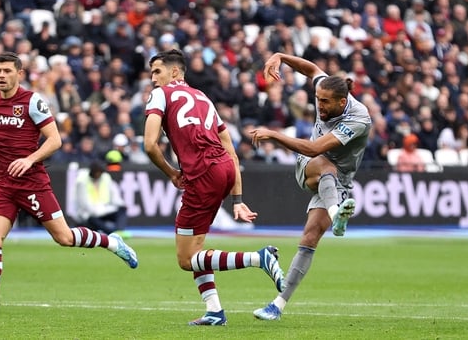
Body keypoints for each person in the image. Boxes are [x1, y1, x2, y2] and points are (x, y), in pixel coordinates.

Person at [0, 52, 138, 316]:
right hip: (5, 184)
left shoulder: (32, 102)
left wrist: (29, 160)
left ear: (20, 74)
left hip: (33, 182)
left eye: (7, 71)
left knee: (64, 237)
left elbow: (55, 140)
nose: (1, 76)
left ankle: (111, 243)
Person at [142, 49, 285, 326]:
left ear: (174, 72)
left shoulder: (162, 94)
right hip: (223, 169)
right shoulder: (203, 98)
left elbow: (149, 144)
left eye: (157, 72)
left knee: (186, 259)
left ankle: (259, 258)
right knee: (198, 249)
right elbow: (230, 150)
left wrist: (171, 172)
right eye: (151, 74)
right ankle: (214, 311)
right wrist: (237, 199)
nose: (153, 79)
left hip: (202, 174)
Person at [249, 52, 372, 321]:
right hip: (309, 165)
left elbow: (317, 145)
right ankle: (336, 213)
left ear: (343, 101)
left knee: (309, 238)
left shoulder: (358, 119)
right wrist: (279, 56)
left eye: (325, 102)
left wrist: (273, 134)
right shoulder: (325, 88)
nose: (319, 106)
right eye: (318, 100)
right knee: (326, 165)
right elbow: (312, 68)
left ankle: (277, 306)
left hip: (337, 180)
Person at [74, 161, 127, 234]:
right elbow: (84, 204)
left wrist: (121, 204)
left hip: (105, 209)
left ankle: (119, 231)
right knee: (92, 220)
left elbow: (114, 195)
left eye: (99, 173)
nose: (98, 175)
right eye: (96, 173)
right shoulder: (81, 180)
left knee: (122, 209)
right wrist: (98, 211)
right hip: (89, 214)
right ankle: (113, 233)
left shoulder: (106, 177)